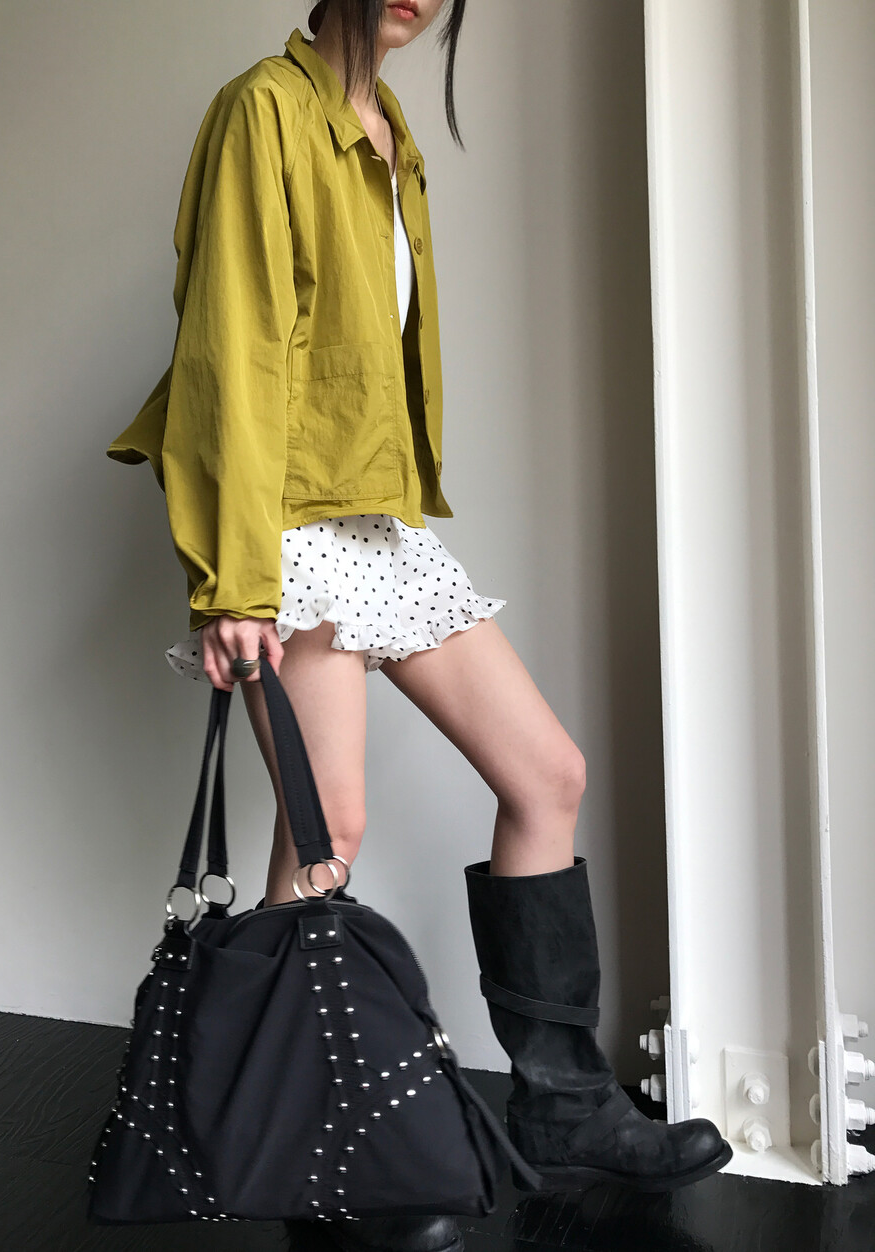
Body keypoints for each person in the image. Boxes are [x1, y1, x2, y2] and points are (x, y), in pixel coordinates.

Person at [106, 3, 733, 1250]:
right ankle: (310, 1157)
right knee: (326, 829)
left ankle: (560, 1103)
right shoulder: (264, 110)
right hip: (286, 521)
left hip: (370, 511)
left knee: (546, 775)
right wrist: (234, 578)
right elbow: (229, 344)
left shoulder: (387, 125)